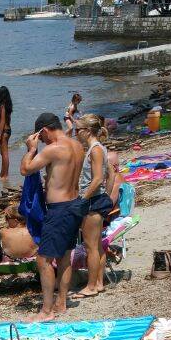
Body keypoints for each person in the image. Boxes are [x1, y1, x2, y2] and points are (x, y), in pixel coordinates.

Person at [21, 112, 83, 320]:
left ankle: (46, 310)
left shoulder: (53, 149)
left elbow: (25, 169)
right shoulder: (77, 145)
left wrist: (31, 149)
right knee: (65, 257)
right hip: (75, 205)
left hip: (60, 209)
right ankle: (61, 303)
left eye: (41, 137)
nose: (42, 141)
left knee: (44, 260)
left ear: (44, 131)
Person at [74, 113, 113, 298]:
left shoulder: (96, 149)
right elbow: (109, 175)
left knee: (90, 246)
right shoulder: (98, 148)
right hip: (97, 199)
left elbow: (98, 179)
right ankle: (98, 282)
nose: (75, 133)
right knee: (97, 245)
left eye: (78, 130)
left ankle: (91, 286)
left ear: (87, 131)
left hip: (92, 201)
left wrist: (82, 199)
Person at [0, 86, 13, 183]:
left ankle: (5, 175)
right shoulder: (7, 104)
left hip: (4, 132)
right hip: (7, 130)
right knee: (3, 153)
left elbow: (2, 121)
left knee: (4, 154)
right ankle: (2, 173)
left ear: (1, 94)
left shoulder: (3, 105)